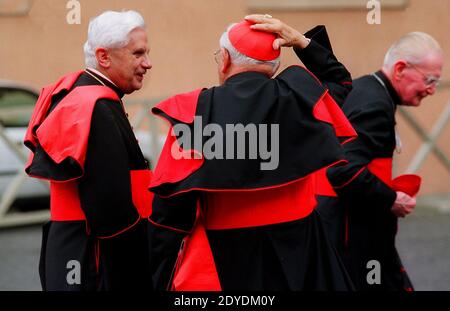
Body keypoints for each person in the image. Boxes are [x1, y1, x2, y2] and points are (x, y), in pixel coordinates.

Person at [147, 15, 357, 290]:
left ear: (224, 59)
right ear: (275, 65)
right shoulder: (300, 95)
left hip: (228, 255)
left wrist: (158, 270)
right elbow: (339, 82)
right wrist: (300, 41)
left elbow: (172, 213)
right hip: (301, 244)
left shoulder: (194, 111)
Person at [24, 10, 153, 290]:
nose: (148, 63)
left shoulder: (77, 92)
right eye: (138, 54)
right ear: (104, 57)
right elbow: (110, 211)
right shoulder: (95, 107)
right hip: (92, 256)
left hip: (73, 246)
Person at [324, 32, 444, 290]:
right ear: (400, 69)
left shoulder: (366, 88)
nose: (432, 90)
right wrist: (392, 199)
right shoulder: (375, 103)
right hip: (356, 238)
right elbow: (343, 169)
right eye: (430, 80)